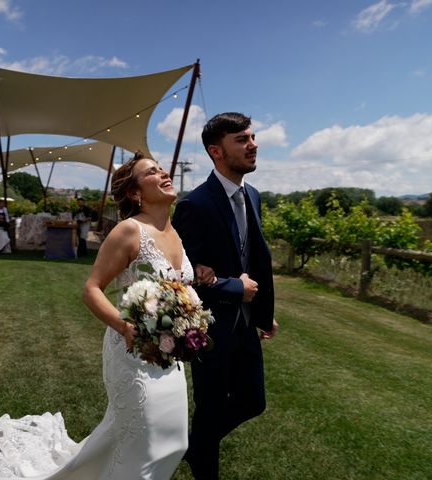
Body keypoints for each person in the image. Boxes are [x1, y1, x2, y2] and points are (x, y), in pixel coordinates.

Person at [0, 154, 205, 479]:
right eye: (152, 171)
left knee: (174, 442)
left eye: (161, 168)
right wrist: (124, 326)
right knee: (145, 443)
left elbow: (178, 288)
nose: (163, 173)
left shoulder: (175, 233)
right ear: (134, 193)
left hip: (170, 357)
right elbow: (91, 289)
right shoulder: (129, 231)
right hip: (132, 352)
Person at [172, 112, 278, 479]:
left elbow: (255, 258)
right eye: (242, 140)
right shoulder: (194, 205)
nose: (253, 145)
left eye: (252, 137)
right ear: (216, 151)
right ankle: (203, 463)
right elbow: (181, 279)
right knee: (211, 408)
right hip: (210, 329)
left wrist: (264, 312)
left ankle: (193, 445)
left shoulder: (254, 196)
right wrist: (236, 287)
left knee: (253, 401)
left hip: (246, 325)